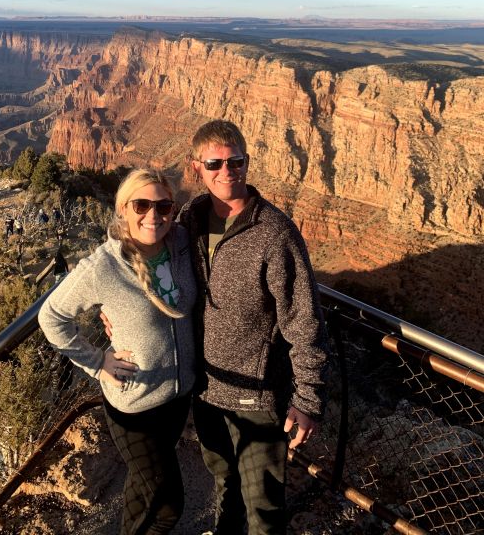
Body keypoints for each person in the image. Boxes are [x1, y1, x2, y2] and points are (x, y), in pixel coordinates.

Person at [178, 119, 329, 535]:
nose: (227, 171)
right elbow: (153, 267)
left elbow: (304, 320)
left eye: (236, 161)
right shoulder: (190, 219)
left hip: (258, 400)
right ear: (197, 168)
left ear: (246, 162)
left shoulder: (275, 233)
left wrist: (308, 399)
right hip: (206, 391)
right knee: (223, 485)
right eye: (215, 164)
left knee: (262, 509)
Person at [38, 168, 197, 534]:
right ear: (123, 209)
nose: (153, 215)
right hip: (135, 408)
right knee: (169, 507)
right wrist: (98, 363)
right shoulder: (104, 266)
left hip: (177, 399)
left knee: (144, 490)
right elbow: (52, 317)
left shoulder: (184, 243)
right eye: (141, 205)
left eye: (163, 206)